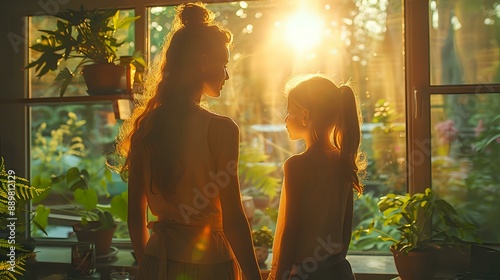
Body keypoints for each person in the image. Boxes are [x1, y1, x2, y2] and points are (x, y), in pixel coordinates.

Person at [115, 2, 262, 280]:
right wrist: (255, 276)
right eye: (224, 64)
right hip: (210, 264)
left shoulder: (146, 126)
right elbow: (233, 217)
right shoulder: (221, 129)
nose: (227, 75)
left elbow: (135, 214)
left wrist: (148, 264)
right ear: (204, 61)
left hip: (158, 261)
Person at [267, 74, 365, 280]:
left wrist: (279, 277)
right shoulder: (343, 161)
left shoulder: (298, 165)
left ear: (305, 115)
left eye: (289, 112)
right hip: (338, 271)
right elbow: (346, 228)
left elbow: (291, 230)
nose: (285, 119)